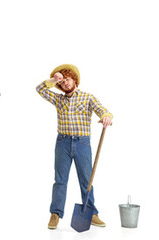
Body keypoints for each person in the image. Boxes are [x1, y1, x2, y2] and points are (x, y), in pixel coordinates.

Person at [37, 64, 112, 230]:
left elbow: (102, 109)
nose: (65, 84)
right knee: (60, 180)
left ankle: (91, 213)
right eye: (62, 82)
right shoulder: (58, 99)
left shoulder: (87, 97)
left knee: (87, 180)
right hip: (62, 142)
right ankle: (55, 214)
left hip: (82, 143)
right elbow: (40, 89)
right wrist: (53, 79)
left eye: (67, 79)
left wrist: (106, 116)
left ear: (74, 80)